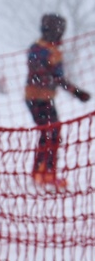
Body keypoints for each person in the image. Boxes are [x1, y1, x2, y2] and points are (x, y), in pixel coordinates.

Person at [25, 13, 91, 188]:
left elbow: (58, 77)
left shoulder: (53, 50)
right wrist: (50, 76)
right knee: (51, 132)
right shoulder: (39, 49)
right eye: (57, 30)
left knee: (50, 133)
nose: (60, 34)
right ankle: (45, 173)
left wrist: (76, 92)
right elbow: (46, 73)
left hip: (45, 97)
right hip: (36, 98)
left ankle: (42, 171)